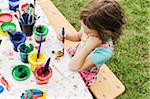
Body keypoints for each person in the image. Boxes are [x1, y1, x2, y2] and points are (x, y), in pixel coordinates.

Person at [57, 0, 124, 87]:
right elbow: (78, 36)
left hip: (81, 74)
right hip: (75, 57)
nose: (85, 33)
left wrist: (89, 46)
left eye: (88, 33)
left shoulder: (104, 52)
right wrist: (66, 36)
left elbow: (74, 67)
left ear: (105, 33)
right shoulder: (90, 25)